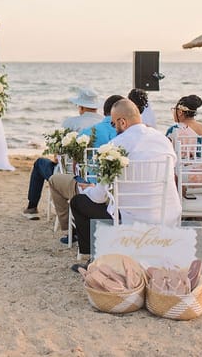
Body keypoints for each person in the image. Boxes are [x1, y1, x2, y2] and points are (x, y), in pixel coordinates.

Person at [70, 99, 181, 271]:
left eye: (114, 123)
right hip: (167, 214)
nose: (114, 128)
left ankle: (95, 258)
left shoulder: (116, 146)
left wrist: (89, 190)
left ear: (123, 121)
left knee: (79, 202)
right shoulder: (163, 140)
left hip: (132, 218)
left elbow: (100, 197)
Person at [47, 95, 122, 241]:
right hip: (121, 189)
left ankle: (71, 229)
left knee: (54, 180)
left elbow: (75, 164)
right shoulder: (127, 135)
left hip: (92, 187)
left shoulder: (89, 131)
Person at [22, 88, 104, 218]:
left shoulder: (70, 122)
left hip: (70, 176)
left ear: (81, 107)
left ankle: (32, 208)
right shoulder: (105, 123)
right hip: (99, 178)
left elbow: (58, 155)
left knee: (39, 163)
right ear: (96, 107)